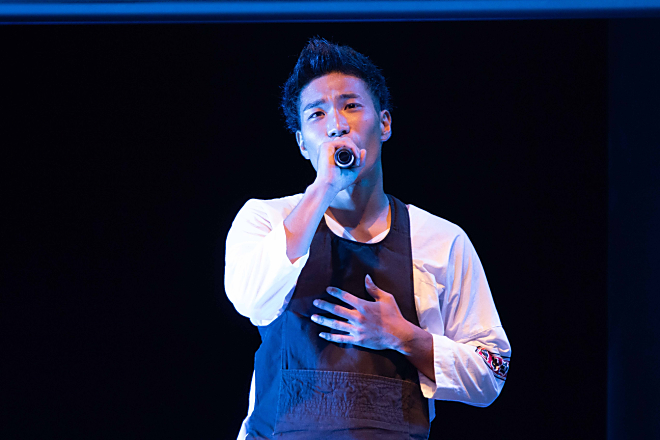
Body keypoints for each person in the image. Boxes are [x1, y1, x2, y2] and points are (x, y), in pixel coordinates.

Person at [225, 38, 511, 440]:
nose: (337, 125)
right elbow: (249, 299)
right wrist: (324, 188)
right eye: (317, 113)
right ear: (302, 143)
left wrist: (403, 336)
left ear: (385, 123)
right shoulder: (266, 219)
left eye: (351, 106)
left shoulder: (441, 239)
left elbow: (492, 370)